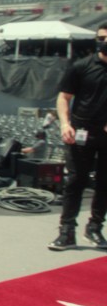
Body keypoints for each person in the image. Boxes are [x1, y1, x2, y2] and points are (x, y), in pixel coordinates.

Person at [48, 23, 107, 250]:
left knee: (104, 184)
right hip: (80, 132)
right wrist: (65, 124)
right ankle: (67, 231)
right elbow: (64, 98)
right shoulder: (81, 66)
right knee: (75, 181)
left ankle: (94, 228)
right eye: (101, 37)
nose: (104, 42)